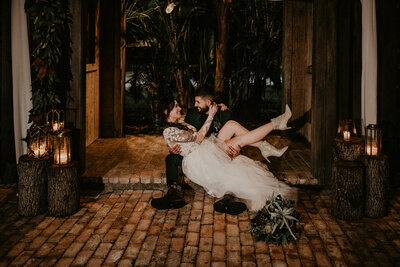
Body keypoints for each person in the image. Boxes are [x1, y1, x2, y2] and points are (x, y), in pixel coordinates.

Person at [151, 89, 287, 213]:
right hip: (199, 159)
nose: (180, 107)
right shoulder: (169, 130)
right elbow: (197, 138)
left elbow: (190, 131)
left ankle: (266, 144)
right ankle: (274, 125)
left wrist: (218, 108)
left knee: (231, 125)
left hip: (205, 149)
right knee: (238, 141)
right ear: (166, 112)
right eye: (175, 106)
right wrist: (211, 115)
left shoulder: (180, 121)